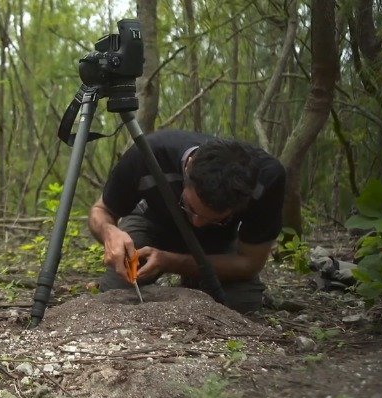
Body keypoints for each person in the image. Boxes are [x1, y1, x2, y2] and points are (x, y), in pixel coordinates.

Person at [88, 129, 286, 313]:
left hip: (216, 243)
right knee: (115, 295)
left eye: (217, 218)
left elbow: (250, 263)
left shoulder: (267, 180)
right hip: (153, 224)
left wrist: (172, 262)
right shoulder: (149, 154)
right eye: (189, 207)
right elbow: (101, 210)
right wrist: (109, 232)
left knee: (241, 302)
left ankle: (195, 279)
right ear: (187, 168)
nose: (197, 223)